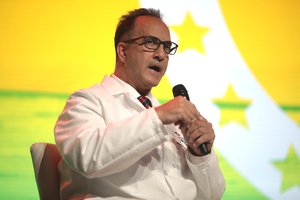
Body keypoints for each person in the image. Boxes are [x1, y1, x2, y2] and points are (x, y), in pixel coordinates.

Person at [54, 8, 225, 200]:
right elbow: (88, 157)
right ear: (123, 51)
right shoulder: (87, 101)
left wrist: (201, 155)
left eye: (167, 47)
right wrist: (158, 117)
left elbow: (212, 195)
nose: (161, 54)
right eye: (151, 43)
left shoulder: (171, 120)